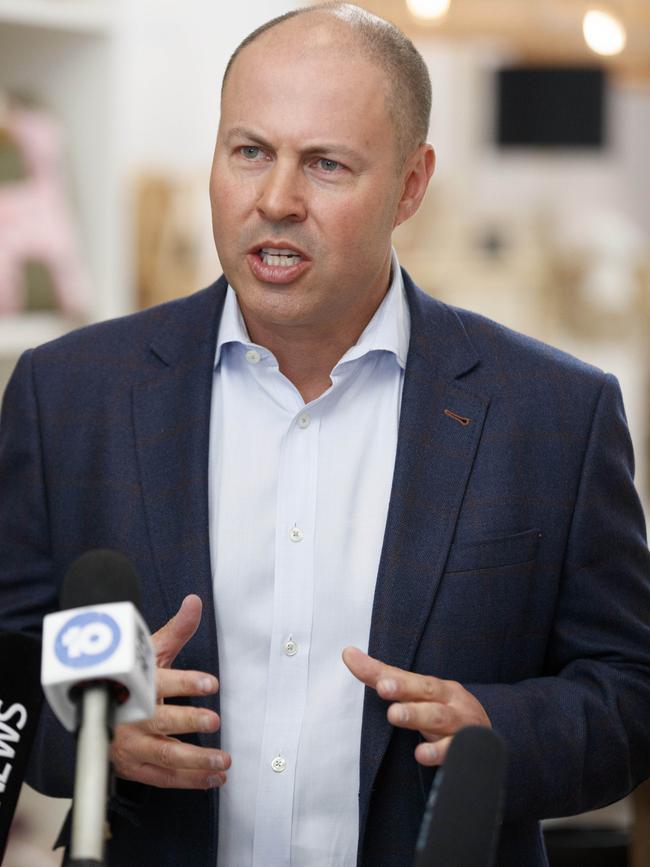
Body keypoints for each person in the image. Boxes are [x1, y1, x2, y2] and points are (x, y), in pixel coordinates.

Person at [1, 4, 649, 866]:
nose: (276, 200)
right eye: (250, 151)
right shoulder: (68, 393)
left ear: (412, 184)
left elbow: (629, 690)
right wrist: (90, 735)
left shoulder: (554, 414)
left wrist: (500, 731)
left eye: (327, 164)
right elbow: (8, 661)